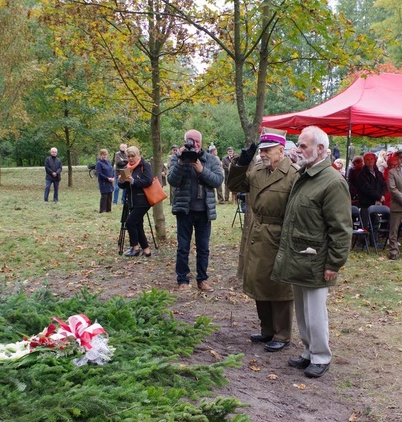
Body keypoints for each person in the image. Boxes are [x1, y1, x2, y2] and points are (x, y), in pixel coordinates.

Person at [271, 126, 351, 378]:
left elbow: (341, 229)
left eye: (303, 145)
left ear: (320, 149)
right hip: (299, 255)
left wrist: (334, 263)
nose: (298, 149)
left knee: (315, 312)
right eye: (298, 144)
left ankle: (320, 356)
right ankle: (308, 352)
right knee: (304, 311)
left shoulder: (333, 181)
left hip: (316, 258)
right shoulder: (305, 175)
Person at [227, 131, 298, 352]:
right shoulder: (257, 170)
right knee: (260, 282)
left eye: (267, 150)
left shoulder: (293, 174)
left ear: (281, 150)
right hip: (258, 233)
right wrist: (242, 163)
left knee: (280, 285)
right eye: (261, 150)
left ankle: (282, 334)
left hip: (280, 233)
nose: (263, 153)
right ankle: (267, 329)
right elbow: (235, 186)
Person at [167, 129, 224, 291]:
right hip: (184, 210)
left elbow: (218, 181)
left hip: (204, 211)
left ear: (201, 142)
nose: (194, 144)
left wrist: (201, 169)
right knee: (183, 247)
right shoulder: (176, 158)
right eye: (191, 141)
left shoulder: (211, 159)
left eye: (197, 141)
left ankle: (202, 279)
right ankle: (182, 280)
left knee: (203, 247)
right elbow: (172, 181)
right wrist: (181, 163)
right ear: (186, 142)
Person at [117, 146, 154, 257]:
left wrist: (133, 181)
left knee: (130, 222)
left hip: (143, 200)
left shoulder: (144, 165)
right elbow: (122, 186)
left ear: (138, 155)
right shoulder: (127, 167)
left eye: (133, 156)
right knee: (138, 225)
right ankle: (146, 250)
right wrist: (121, 181)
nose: (131, 159)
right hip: (132, 201)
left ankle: (135, 248)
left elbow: (148, 181)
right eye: (128, 156)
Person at [355, 152, 386, 228]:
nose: (370, 161)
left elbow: (383, 185)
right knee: (364, 225)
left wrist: (381, 196)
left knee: (375, 223)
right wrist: (378, 196)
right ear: (364, 161)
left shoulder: (378, 173)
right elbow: (367, 189)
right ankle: (363, 240)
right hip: (366, 203)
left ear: (375, 160)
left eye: (372, 159)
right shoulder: (361, 174)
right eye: (367, 159)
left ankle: (374, 239)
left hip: (377, 202)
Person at [96, 149, 115, 213]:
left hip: (110, 182)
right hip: (103, 182)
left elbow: (112, 170)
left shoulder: (108, 162)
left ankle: (108, 210)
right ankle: (102, 210)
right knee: (104, 196)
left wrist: (113, 177)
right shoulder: (99, 163)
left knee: (110, 195)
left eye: (106, 155)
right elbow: (99, 174)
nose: (104, 156)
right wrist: (107, 178)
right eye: (103, 155)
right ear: (100, 155)